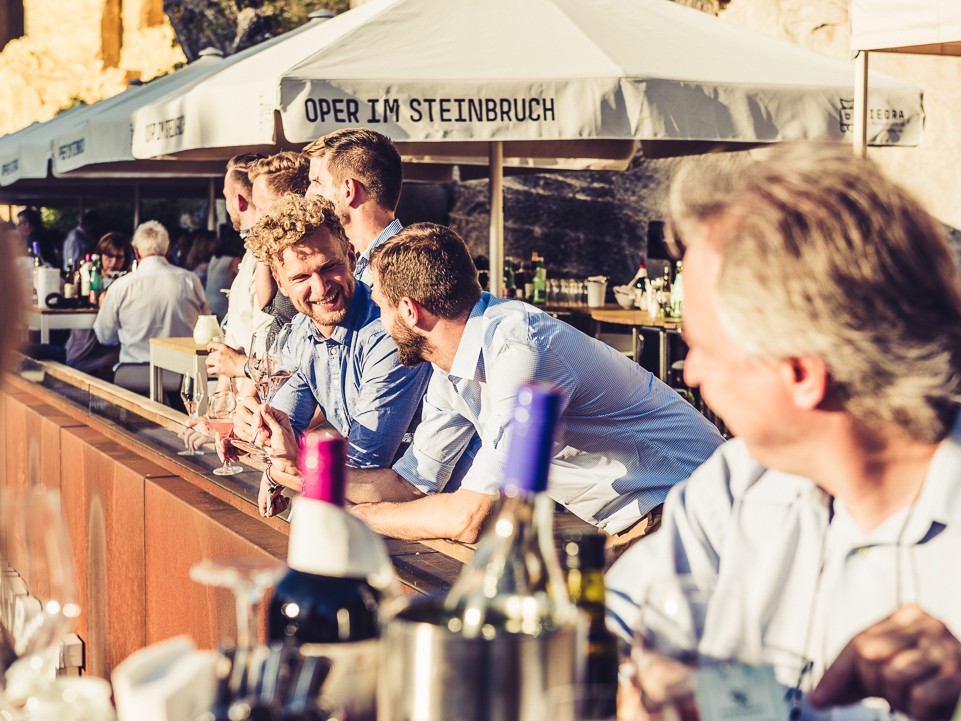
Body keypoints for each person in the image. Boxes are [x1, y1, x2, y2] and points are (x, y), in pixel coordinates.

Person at [605, 143, 961, 721]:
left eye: (702, 348)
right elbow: (613, 632)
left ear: (800, 375)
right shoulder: (741, 479)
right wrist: (638, 683)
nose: (688, 372)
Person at [252, 223, 724, 545]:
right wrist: (309, 479)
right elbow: (411, 484)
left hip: (696, 507)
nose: (375, 315)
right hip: (646, 516)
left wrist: (351, 519)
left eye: (379, 303)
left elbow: (467, 518)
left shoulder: (521, 351)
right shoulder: (450, 362)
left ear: (410, 311)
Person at [230, 194, 431, 517]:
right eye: (300, 277)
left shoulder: (387, 331)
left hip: (421, 510)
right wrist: (256, 429)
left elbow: (366, 460)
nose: (321, 287)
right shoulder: (300, 331)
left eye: (329, 267)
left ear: (351, 257)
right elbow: (284, 426)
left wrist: (279, 469)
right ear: (281, 283)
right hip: (360, 503)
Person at [93, 221, 209, 389]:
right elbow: (206, 328)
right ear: (168, 249)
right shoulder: (190, 280)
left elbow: (105, 337)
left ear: (135, 251)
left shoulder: (120, 287)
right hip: (182, 377)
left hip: (132, 376)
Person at [302, 128, 404, 284]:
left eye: (318, 183)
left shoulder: (402, 270)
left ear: (348, 191)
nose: (309, 195)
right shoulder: (362, 261)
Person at [204, 153, 272, 385]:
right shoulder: (250, 254)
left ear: (238, 201)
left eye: (225, 197)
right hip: (240, 400)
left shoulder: (266, 258)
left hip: (256, 402)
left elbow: (267, 346)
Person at [247, 152, 310, 334]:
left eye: (260, 208)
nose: (257, 217)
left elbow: (266, 302)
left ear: (285, 204)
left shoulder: (306, 253)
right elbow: (265, 303)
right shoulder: (280, 248)